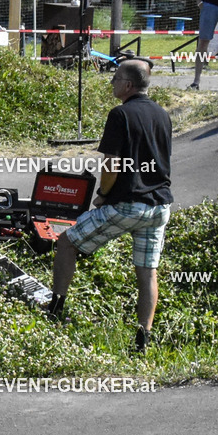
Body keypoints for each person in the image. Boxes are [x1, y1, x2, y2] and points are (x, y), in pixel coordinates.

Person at [46, 59, 173, 353]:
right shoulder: (162, 115)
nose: (112, 83)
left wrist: (103, 194)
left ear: (128, 85)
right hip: (159, 208)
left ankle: (55, 309)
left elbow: (112, 164)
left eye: (115, 79)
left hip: (128, 205)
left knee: (66, 243)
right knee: (147, 273)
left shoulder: (120, 114)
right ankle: (143, 340)